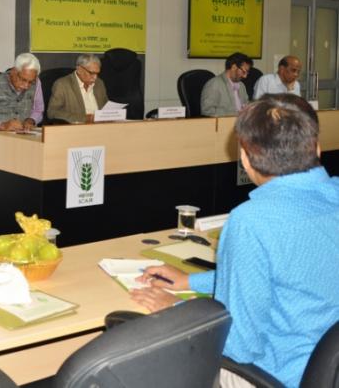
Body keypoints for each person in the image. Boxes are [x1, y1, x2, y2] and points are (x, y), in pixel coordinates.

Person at [130, 94, 339, 388]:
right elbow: (291, 276)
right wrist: (191, 282)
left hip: (271, 376)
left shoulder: (251, 222)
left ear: (244, 158)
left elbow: (240, 347)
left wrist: (177, 309)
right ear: (317, 147)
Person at [0, 53, 44, 134]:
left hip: (25, 136)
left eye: (31, 82)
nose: (26, 86)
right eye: (23, 80)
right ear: (14, 72)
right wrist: (2, 126)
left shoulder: (37, 83)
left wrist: (31, 120)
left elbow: (38, 110)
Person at [47, 54, 108, 123]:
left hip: (101, 126)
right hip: (77, 127)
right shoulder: (62, 85)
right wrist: (86, 118)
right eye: (91, 73)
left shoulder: (99, 83)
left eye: (97, 73)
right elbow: (52, 112)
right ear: (79, 69)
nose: (95, 77)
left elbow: (106, 107)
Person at [200, 52, 252, 116]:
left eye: (247, 73)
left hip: (241, 121)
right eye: (243, 72)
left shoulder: (241, 85)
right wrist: (236, 113)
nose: (245, 76)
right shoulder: (214, 84)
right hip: (224, 122)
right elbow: (207, 111)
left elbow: (246, 105)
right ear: (234, 67)